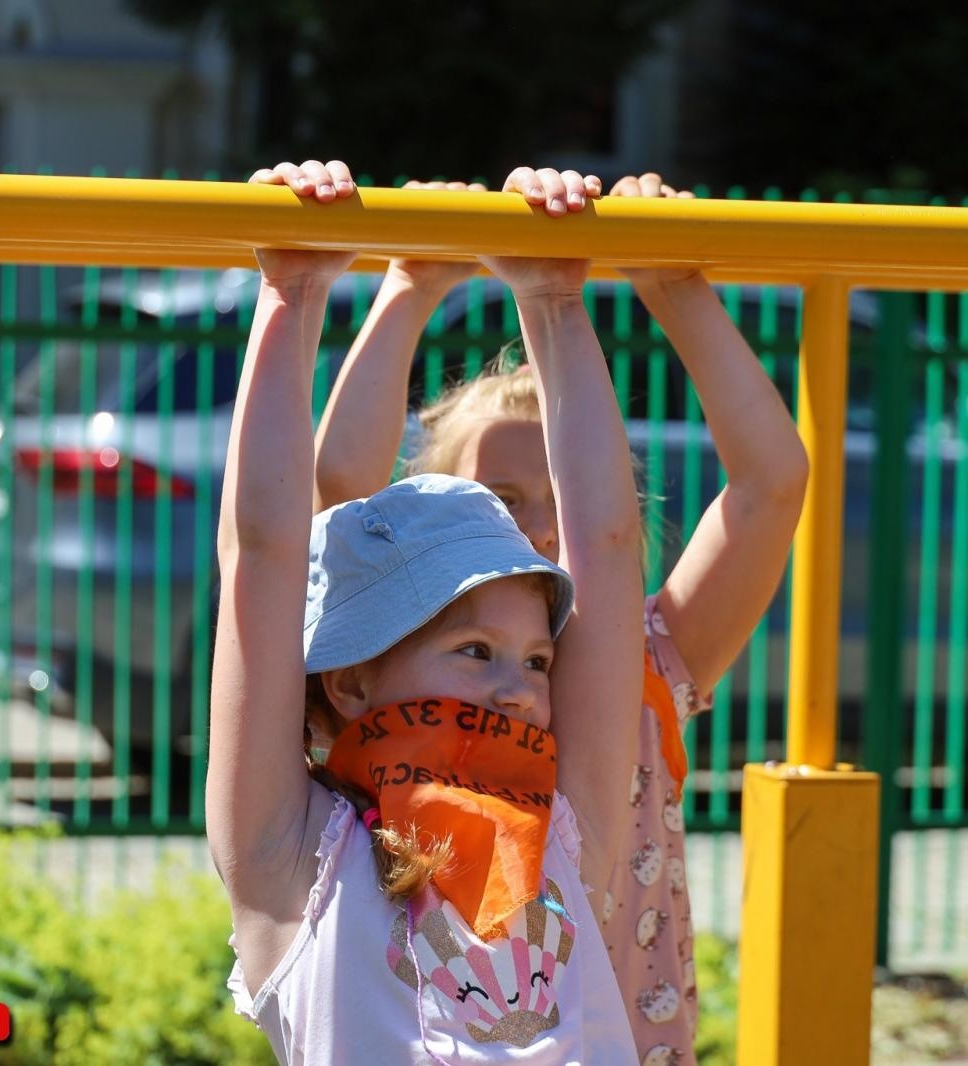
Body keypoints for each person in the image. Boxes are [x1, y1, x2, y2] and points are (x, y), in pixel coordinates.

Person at [313, 170, 809, 1063]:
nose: (545, 526)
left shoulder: (654, 656)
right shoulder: (396, 662)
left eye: (562, 495)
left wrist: (673, 284)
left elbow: (773, 486)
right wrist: (409, 285)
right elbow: (333, 499)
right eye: (500, 498)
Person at [209, 159, 643, 1064]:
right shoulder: (297, 859)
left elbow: (604, 549)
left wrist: (554, 303)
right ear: (355, 678)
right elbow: (262, 552)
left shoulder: (562, 832)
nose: (519, 685)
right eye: (476, 648)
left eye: (536, 660)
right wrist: (293, 290)